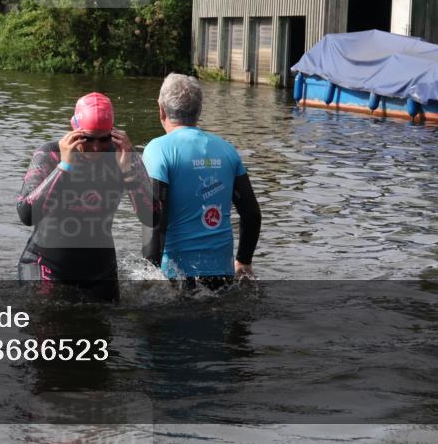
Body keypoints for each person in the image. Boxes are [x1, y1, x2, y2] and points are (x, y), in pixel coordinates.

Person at [16, 92, 155, 301]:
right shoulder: (50, 154)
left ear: (113, 133)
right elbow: (26, 214)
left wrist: (129, 171)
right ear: (75, 129)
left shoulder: (123, 154)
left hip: (99, 273)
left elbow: (153, 217)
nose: (97, 147)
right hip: (45, 267)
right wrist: (64, 167)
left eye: (104, 138)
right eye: (88, 138)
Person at [141, 74, 262, 289]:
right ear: (199, 110)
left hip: (176, 276)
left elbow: (155, 217)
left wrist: (150, 275)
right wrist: (243, 261)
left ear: (160, 109)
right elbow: (251, 213)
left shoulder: (157, 149)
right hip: (222, 274)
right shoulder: (227, 149)